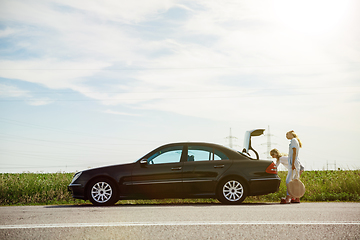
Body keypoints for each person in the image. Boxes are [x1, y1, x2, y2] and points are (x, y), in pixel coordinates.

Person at [280, 130, 303, 204]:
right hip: (295, 163)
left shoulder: (293, 140)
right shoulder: (295, 140)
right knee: (295, 180)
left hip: (293, 163)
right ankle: (297, 198)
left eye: (287, 134)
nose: (286, 136)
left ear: (291, 134)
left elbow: (294, 152)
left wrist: (292, 164)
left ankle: (288, 198)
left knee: (288, 180)